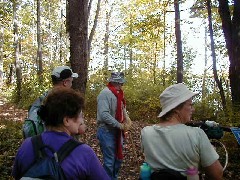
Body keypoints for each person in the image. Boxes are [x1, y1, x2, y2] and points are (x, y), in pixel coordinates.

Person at [13, 88, 110, 180]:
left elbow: (17, 175)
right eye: (80, 116)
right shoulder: (84, 153)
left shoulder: (27, 144)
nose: (81, 121)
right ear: (67, 121)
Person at [141, 83, 223, 180]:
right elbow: (217, 175)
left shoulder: (146, 132)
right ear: (176, 109)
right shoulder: (197, 134)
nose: (193, 109)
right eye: (190, 105)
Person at [23, 65, 87, 138]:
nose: (71, 84)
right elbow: (80, 129)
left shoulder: (42, 99)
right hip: (65, 145)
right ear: (65, 82)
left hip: (41, 144)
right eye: (71, 81)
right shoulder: (70, 100)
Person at [97, 72, 132, 180]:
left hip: (117, 131)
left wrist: (127, 118)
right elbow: (104, 115)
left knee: (118, 158)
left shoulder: (119, 93)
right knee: (109, 160)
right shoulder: (105, 93)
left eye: (122, 83)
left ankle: (114, 177)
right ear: (114, 82)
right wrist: (120, 125)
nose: (122, 85)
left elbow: (122, 108)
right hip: (106, 130)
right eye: (120, 83)